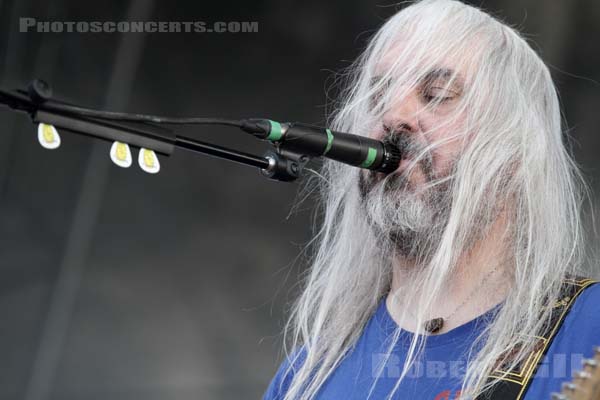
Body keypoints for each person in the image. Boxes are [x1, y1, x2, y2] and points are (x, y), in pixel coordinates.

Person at [263, 0, 600, 399]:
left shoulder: (587, 330)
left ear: (515, 151)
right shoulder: (306, 377)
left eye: (437, 94)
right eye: (379, 94)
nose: (393, 114)